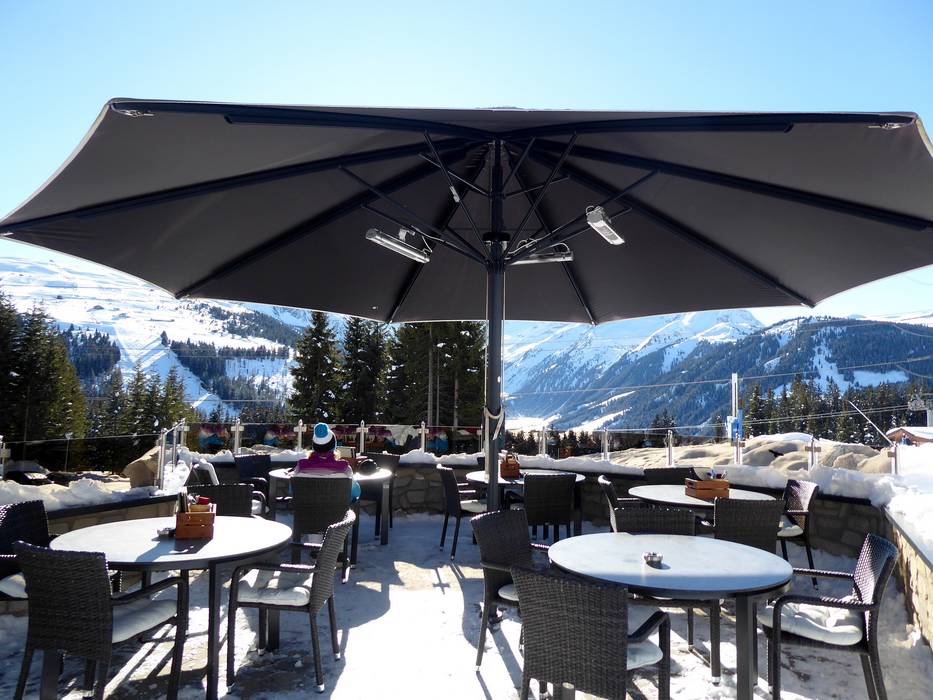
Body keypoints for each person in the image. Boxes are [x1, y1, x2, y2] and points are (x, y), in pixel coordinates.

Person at [293, 423, 361, 501]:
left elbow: (292, 491)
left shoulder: (301, 466)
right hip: (336, 508)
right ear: (333, 446)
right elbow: (356, 493)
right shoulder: (344, 468)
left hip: (305, 508)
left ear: (314, 446)